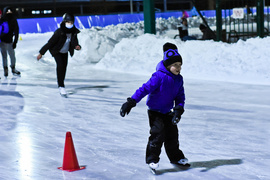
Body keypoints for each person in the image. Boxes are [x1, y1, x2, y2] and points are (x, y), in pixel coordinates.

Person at [120, 42, 189, 171]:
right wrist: (131, 102)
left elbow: (180, 96)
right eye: (175, 65)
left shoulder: (179, 79)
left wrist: (178, 109)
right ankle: (152, 159)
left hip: (168, 112)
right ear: (168, 66)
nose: (178, 68)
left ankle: (176, 157)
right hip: (155, 111)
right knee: (157, 135)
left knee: (173, 135)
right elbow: (144, 89)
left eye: (180, 65)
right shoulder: (158, 77)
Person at [37, 13, 81, 97]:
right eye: (68, 22)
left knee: (64, 68)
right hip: (56, 51)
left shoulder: (74, 32)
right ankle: (61, 86)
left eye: (71, 22)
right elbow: (50, 43)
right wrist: (41, 53)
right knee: (60, 65)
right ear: (64, 22)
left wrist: (77, 46)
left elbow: (75, 42)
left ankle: (61, 83)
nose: (70, 24)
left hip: (65, 52)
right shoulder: (59, 32)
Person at [0, 6, 20, 77]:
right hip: (3, 41)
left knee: (11, 56)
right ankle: (6, 69)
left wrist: (15, 42)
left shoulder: (13, 20)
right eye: (7, 12)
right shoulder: (2, 20)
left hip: (9, 41)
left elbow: (16, 31)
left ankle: (12, 68)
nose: (9, 13)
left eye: (10, 11)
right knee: (5, 56)